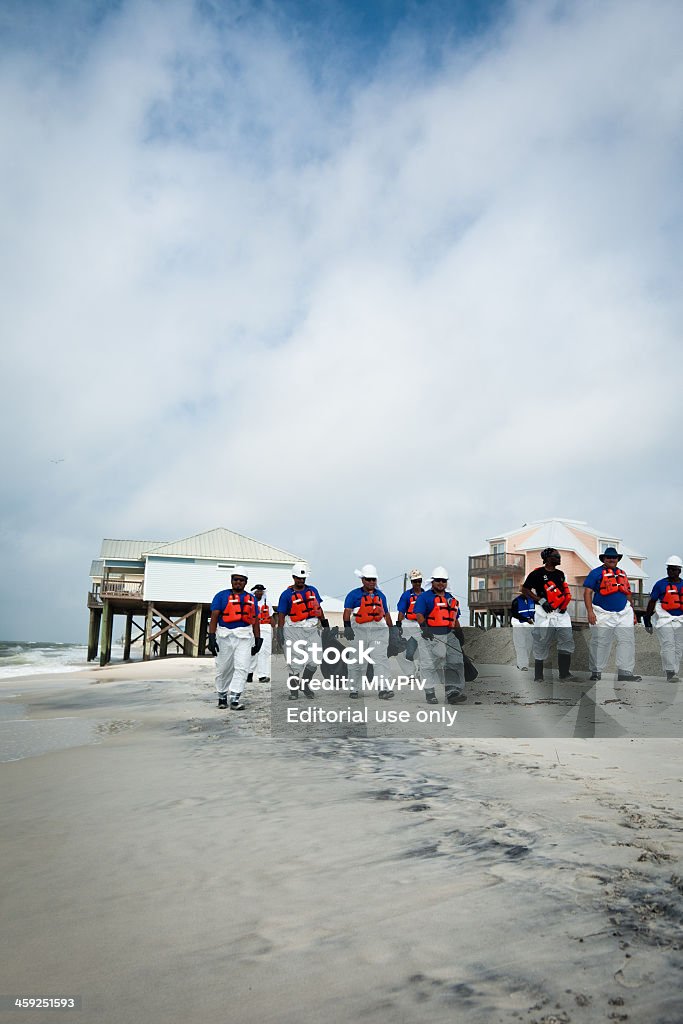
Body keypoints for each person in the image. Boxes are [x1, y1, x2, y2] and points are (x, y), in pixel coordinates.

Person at [583, 547, 641, 683]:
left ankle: (625, 672)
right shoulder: (595, 573)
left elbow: (627, 593)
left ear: (617, 559)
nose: (611, 559)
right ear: (603, 559)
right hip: (603, 613)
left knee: (627, 641)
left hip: (624, 612)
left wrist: (632, 612)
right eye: (608, 557)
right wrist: (590, 611)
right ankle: (596, 671)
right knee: (600, 642)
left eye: (614, 557)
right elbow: (587, 592)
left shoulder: (622, 573)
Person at [208, 567, 263, 710]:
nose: (238, 582)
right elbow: (214, 617)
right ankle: (221, 696)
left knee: (242, 667)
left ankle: (235, 698)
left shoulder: (251, 599)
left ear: (246, 582)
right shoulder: (221, 596)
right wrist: (211, 637)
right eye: (235, 579)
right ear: (231, 580)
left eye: (241, 580)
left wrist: (258, 639)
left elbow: (255, 620)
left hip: (244, 636)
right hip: (225, 635)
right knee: (223, 668)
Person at [343, 564, 400, 700]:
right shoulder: (353, 595)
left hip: (378, 631)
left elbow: (386, 614)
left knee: (380, 660)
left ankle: (384, 689)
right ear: (362, 579)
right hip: (359, 631)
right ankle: (354, 688)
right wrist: (347, 627)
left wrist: (392, 631)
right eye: (368, 579)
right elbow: (347, 612)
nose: (371, 582)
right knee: (357, 660)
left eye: (373, 579)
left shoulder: (381, 596)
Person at [521, 548, 575, 682]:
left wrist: (564, 606)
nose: (559, 557)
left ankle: (564, 674)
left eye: (559, 555)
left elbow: (563, 592)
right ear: (547, 558)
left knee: (567, 639)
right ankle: (538, 676)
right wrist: (540, 600)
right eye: (556, 556)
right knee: (541, 641)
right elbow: (525, 589)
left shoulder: (561, 574)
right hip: (543, 612)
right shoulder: (537, 573)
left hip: (560, 613)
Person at [413, 567, 466, 705]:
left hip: (449, 634)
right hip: (430, 635)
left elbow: (455, 617)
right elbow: (419, 614)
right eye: (438, 580)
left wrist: (459, 633)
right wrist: (424, 628)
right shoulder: (424, 597)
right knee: (429, 665)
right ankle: (430, 692)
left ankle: (452, 691)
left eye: (443, 581)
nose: (441, 583)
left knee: (455, 662)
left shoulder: (451, 599)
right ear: (432, 582)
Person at [277, 563, 327, 700]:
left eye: (303, 578)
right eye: (298, 578)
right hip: (293, 630)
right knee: (295, 662)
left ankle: (305, 684)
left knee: (315, 658)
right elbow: (281, 614)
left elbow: (319, 608)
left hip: (311, 629)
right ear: (293, 577)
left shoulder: (313, 591)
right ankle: (293, 691)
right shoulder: (286, 595)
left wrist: (325, 624)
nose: (301, 580)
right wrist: (279, 631)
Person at [645, 556, 683, 682]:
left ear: (679, 570)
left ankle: (674, 671)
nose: (671, 572)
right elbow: (652, 602)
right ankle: (670, 672)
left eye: (674, 569)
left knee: (678, 647)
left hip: (680, 620)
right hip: (664, 619)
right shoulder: (660, 584)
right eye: (669, 569)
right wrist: (647, 619)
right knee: (668, 645)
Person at [396, 569, 425, 671]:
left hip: (423, 626)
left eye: (419, 580)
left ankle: (423, 670)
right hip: (410, 626)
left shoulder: (426, 595)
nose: (417, 583)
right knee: (409, 652)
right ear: (411, 582)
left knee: (425, 650)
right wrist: (398, 626)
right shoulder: (406, 595)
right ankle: (411, 672)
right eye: (415, 581)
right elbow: (401, 612)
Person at [248, 584, 273, 682]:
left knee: (265, 652)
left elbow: (271, 617)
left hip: (265, 627)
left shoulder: (268, 603)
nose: (259, 593)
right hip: (252, 628)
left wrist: (275, 630)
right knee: (253, 651)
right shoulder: (249, 603)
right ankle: (248, 674)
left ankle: (263, 675)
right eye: (257, 591)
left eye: (261, 591)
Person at [510, 592, 535, 671]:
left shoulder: (532, 601)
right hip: (518, 625)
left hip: (529, 626)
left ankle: (522, 663)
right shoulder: (516, 601)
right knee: (520, 645)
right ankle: (522, 665)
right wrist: (526, 620)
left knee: (529, 645)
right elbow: (514, 614)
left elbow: (534, 612)